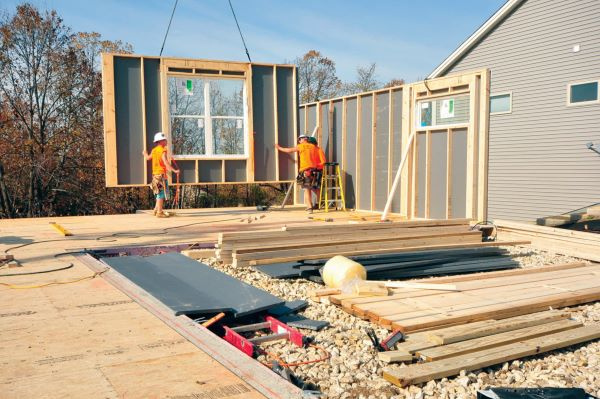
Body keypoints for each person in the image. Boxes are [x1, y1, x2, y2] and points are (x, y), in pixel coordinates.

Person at [275, 135, 319, 212]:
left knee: (307, 189)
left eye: (299, 140)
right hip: (314, 170)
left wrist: (279, 148)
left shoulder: (301, 146)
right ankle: (319, 203)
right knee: (313, 188)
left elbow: (289, 150)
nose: (299, 141)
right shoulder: (313, 147)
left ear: (303, 139)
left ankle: (309, 207)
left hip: (306, 170)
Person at [142, 132, 180, 218]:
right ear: (160, 141)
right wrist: (175, 170)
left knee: (158, 193)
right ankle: (159, 212)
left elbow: (148, 158)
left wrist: (144, 154)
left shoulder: (154, 150)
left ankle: (156, 210)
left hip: (155, 175)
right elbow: (166, 162)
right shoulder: (163, 150)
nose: (166, 141)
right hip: (161, 176)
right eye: (164, 140)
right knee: (161, 194)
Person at [307, 136, 326, 209]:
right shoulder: (310, 151)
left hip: (318, 170)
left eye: (309, 144)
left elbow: (323, 162)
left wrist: (316, 165)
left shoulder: (319, 150)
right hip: (311, 170)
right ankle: (317, 202)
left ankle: (319, 203)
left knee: (317, 187)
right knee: (309, 187)